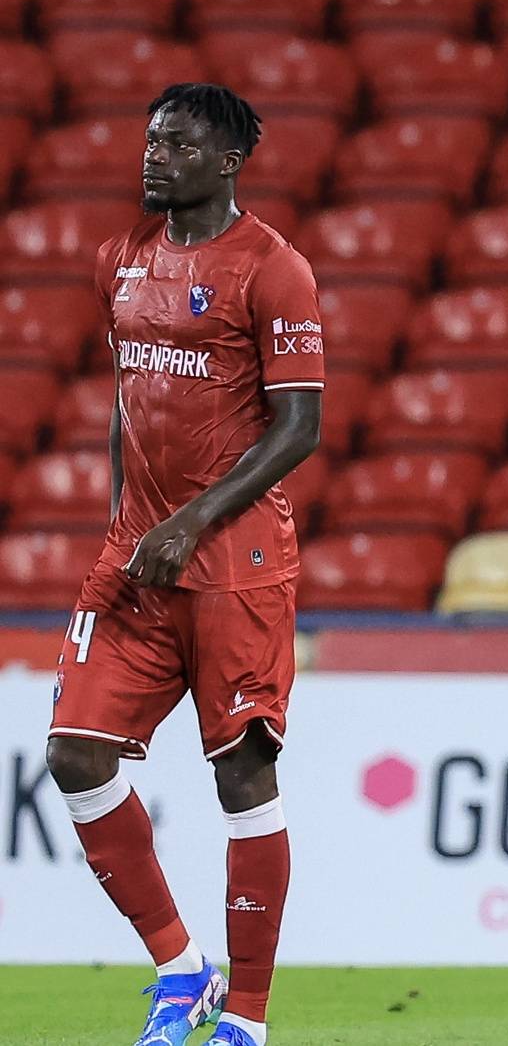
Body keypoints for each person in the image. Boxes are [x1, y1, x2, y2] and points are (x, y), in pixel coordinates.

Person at [43, 83, 324, 1046]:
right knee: (74, 756)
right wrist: (131, 525)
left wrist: (193, 521)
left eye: (178, 143)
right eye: (151, 139)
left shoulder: (273, 269)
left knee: (242, 776)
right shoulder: (118, 260)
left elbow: (301, 425)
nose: (154, 155)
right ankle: (181, 970)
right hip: (138, 555)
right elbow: (131, 403)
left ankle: (246, 1015)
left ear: (229, 159)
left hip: (236, 562)